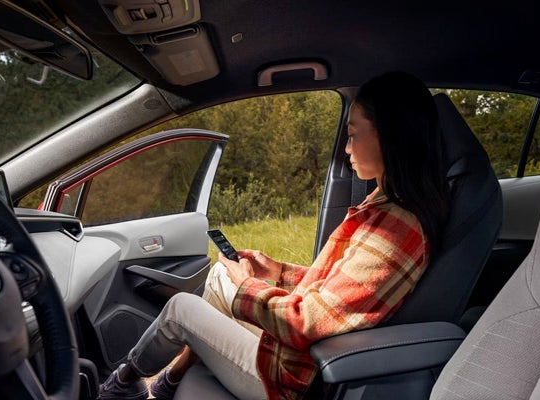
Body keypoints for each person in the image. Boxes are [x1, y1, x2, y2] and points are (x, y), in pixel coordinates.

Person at [98, 71, 450, 400]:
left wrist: (248, 286)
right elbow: (342, 290)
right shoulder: (385, 207)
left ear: (389, 136)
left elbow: (308, 321)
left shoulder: (395, 231)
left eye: (353, 134)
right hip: (294, 354)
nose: (346, 148)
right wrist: (276, 271)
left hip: (292, 377)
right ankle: (170, 381)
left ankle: (123, 384)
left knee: (180, 308)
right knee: (221, 274)